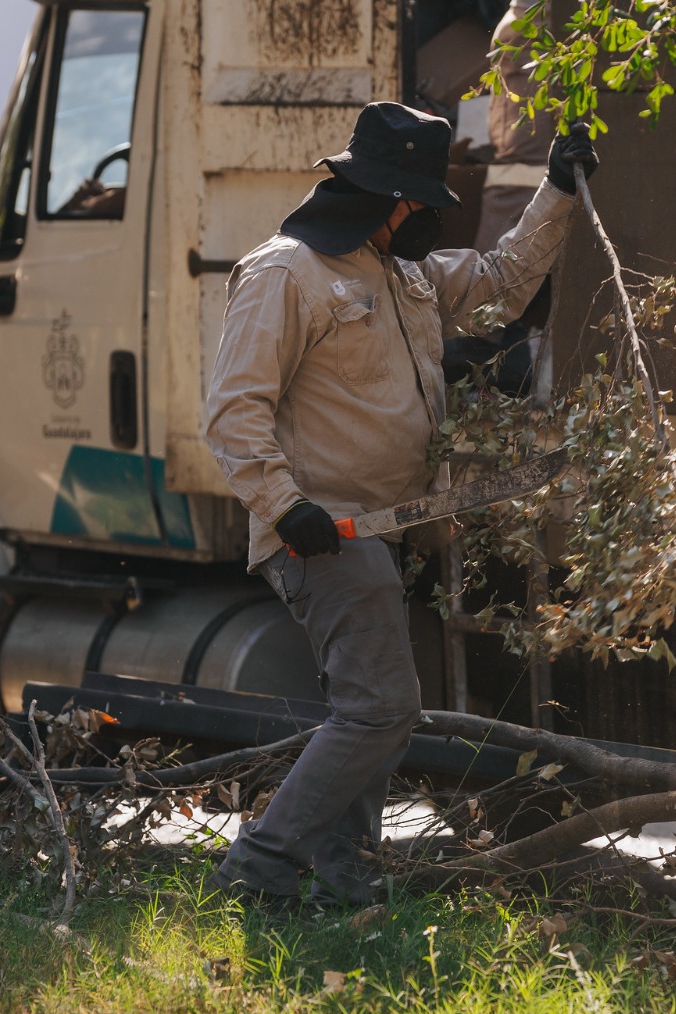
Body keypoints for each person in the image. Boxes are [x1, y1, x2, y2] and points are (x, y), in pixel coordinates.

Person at [202, 101, 599, 908]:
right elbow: (232, 412)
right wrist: (286, 508)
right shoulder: (286, 274)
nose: (430, 219)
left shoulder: (403, 273)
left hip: (378, 532)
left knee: (366, 711)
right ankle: (262, 863)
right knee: (384, 709)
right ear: (391, 199)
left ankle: (346, 877)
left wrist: (556, 191)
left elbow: (501, 280)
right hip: (323, 532)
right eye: (424, 204)